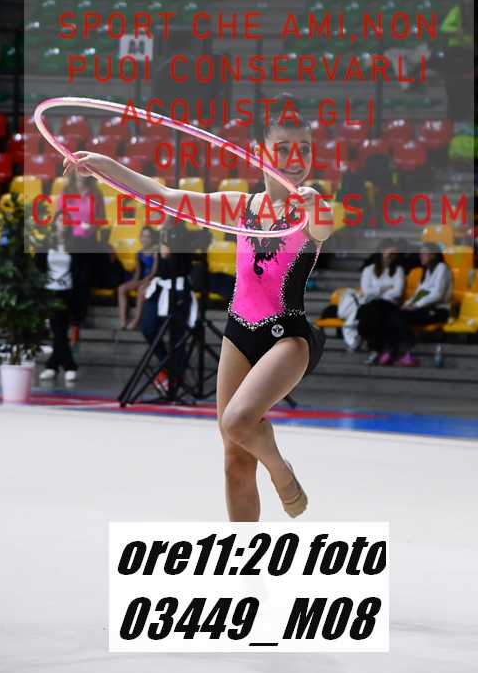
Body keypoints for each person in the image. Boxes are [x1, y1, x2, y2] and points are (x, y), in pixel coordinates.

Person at [62, 93, 334, 521]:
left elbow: (322, 225)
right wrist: (103, 165)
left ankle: (282, 471)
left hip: (287, 338)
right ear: (259, 152)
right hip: (238, 332)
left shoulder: (311, 208)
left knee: (238, 421)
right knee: (233, 457)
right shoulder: (240, 207)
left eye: (303, 148)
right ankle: (243, 553)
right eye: (282, 148)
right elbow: (164, 195)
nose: (294, 158)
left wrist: (311, 200)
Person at [139, 219, 195, 392]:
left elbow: (169, 256)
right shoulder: (160, 232)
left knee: (177, 336)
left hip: (178, 289)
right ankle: (168, 365)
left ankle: (176, 378)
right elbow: (158, 261)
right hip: (160, 286)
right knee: (148, 328)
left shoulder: (182, 234)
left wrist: (166, 240)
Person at [378, 243, 453, 367]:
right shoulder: (427, 271)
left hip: (439, 310)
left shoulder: (442, 268)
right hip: (423, 309)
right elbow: (419, 294)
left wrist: (416, 305)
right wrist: (407, 304)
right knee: (394, 314)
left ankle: (401, 351)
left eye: (424, 253)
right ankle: (392, 350)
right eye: (420, 253)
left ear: (433, 255)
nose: (421, 256)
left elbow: (438, 294)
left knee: (399, 317)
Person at [58, 173, 106, 338]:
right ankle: (68, 316)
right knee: (70, 279)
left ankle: (79, 318)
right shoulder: (66, 191)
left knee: (83, 280)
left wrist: (91, 227)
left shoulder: (96, 192)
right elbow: (59, 215)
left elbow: (101, 217)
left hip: (88, 242)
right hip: (70, 241)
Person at [35, 210, 78, 382]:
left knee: (60, 330)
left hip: (68, 291)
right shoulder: (46, 242)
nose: (63, 223)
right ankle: (68, 366)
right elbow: (38, 266)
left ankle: (53, 366)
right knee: (58, 330)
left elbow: (80, 270)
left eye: (66, 220)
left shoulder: (75, 244)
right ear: (55, 223)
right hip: (50, 291)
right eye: (60, 219)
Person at [356, 240, 405, 364]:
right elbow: (366, 291)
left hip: (388, 305)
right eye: (390, 254)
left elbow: (398, 292)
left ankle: (375, 349)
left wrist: (377, 291)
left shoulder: (398, 270)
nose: (392, 257)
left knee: (380, 313)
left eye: (395, 255)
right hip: (372, 305)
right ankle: (378, 349)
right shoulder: (369, 270)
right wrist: (384, 289)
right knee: (373, 312)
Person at [118, 225, 159, 329]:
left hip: (153, 280)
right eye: (143, 236)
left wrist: (145, 281)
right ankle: (123, 320)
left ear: (152, 238)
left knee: (141, 290)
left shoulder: (155, 252)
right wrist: (132, 283)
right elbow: (138, 273)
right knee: (121, 288)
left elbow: (154, 272)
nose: (145, 239)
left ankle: (136, 321)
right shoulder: (139, 253)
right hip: (142, 280)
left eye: (148, 237)